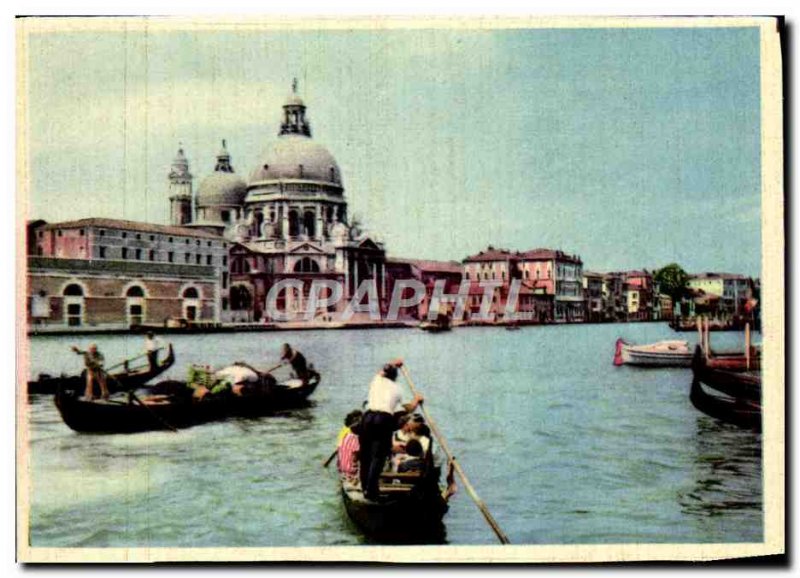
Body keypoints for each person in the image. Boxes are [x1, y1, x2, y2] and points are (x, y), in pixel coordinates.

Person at [359, 359, 423, 501]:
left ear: (384, 373)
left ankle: (365, 489)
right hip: (383, 419)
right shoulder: (397, 388)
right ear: (395, 377)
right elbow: (408, 409)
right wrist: (417, 400)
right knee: (378, 457)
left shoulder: (376, 379)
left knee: (366, 456)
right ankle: (371, 491)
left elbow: (381, 370)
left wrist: (395, 362)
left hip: (367, 417)